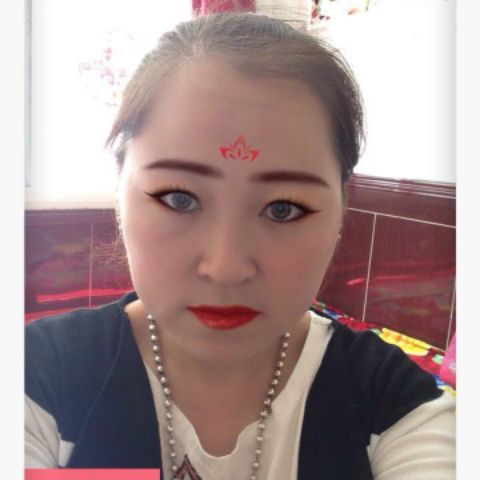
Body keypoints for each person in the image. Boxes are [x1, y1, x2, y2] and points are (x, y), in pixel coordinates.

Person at [25, 12, 455, 480]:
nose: (225, 267)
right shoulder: (37, 379)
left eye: (283, 209)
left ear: (341, 211)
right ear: (118, 195)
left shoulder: (398, 409)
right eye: (179, 198)